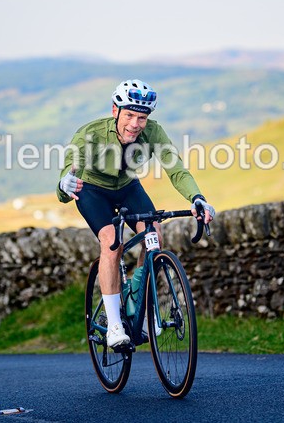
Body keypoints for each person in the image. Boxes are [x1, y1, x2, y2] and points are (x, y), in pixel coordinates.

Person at [57, 79, 215, 348]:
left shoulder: (153, 132)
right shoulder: (90, 134)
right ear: (115, 111)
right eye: (129, 115)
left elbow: (176, 170)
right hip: (92, 190)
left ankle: (137, 302)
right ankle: (115, 324)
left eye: (141, 117)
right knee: (111, 242)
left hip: (128, 187)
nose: (135, 123)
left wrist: (197, 198)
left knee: (154, 235)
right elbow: (66, 180)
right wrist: (65, 185)